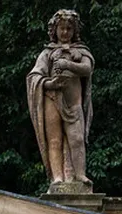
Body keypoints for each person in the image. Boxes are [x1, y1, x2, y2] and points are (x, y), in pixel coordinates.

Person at [27, 9, 95, 191]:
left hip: (74, 102)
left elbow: (87, 69)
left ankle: (80, 174)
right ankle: (57, 177)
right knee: (54, 140)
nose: (65, 32)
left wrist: (68, 64)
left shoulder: (81, 51)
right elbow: (34, 76)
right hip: (52, 99)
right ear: (54, 30)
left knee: (77, 139)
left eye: (69, 29)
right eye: (62, 29)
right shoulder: (47, 53)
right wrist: (50, 83)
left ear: (75, 31)